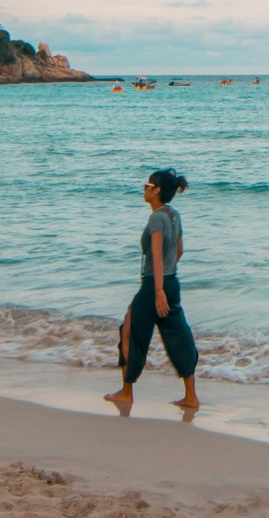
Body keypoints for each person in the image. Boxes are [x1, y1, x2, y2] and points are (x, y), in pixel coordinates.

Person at [105, 167, 200, 410]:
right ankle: (191, 396)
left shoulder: (156, 217)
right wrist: (167, 282)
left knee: (130, 331)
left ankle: (127, 392)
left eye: (147, 186)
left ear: (156, 191)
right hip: (172, 281)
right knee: (178, 336)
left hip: (153, 285)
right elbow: (179, 251)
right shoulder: (174, 214)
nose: (144, 189)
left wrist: (157, 290)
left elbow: (156, 254)